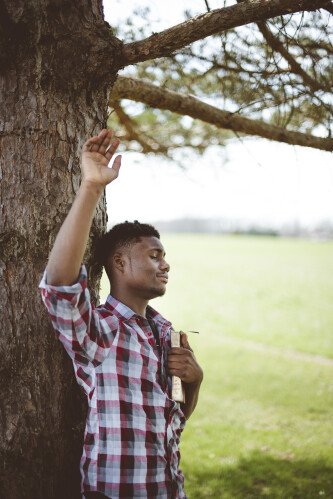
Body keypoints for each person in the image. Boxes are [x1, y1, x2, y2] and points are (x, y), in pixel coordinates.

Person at [39, 129, 203, 499]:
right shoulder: (102, 331)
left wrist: (194, 382)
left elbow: (171, 426)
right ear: (119, 262)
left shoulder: (164, 332)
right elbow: (61, 284)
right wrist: (91, 188)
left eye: (164, 256)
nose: (166, 265)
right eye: (154, 255)